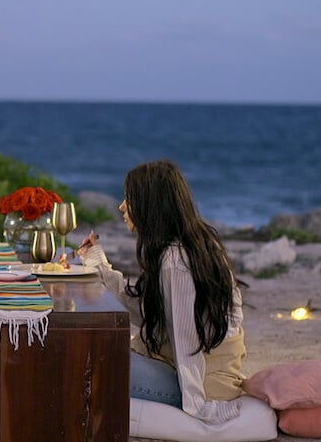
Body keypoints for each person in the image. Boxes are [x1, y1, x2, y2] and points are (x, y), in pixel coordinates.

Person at [76, 159, 247, 424]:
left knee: (86, 364)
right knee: (90, 351)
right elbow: (151, 313)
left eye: (129, 198)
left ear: (151, 204)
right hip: (181, 366)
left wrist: (198, 406)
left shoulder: (176, 260)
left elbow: (186, 342)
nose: (122, 206)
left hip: (202, 380)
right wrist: (98, 262)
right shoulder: (187, 245)